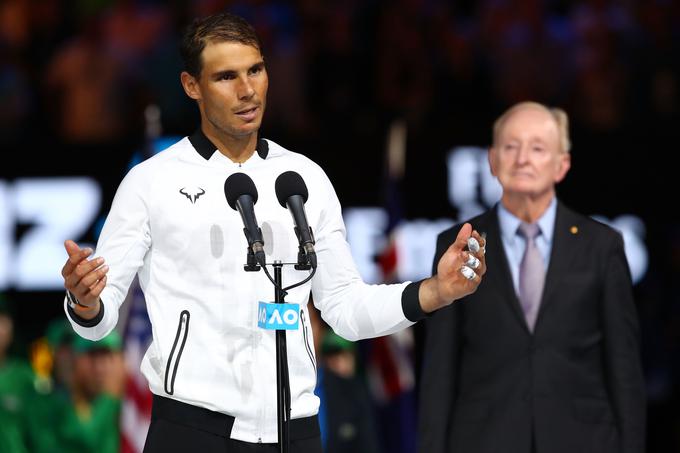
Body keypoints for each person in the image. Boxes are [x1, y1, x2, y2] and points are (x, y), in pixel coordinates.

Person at [59, 12, 486, 453]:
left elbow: (344, 307)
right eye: (226, 77)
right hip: (192, 432)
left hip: (295, 429)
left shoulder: (304, 178)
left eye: (255, 71)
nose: (247, 91)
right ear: (191, 86)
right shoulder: (151, 183)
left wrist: (436, 291)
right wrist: (85, 301)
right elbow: (99, 319)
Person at [417, 101, 646, 453]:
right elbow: (439, 373)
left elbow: (624, 369)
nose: (523, 158)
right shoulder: (458, 244)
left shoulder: (602, 246)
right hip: (484, 441)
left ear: (562, 164)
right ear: (492, 160)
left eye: (538, 148)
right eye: (511, 146)